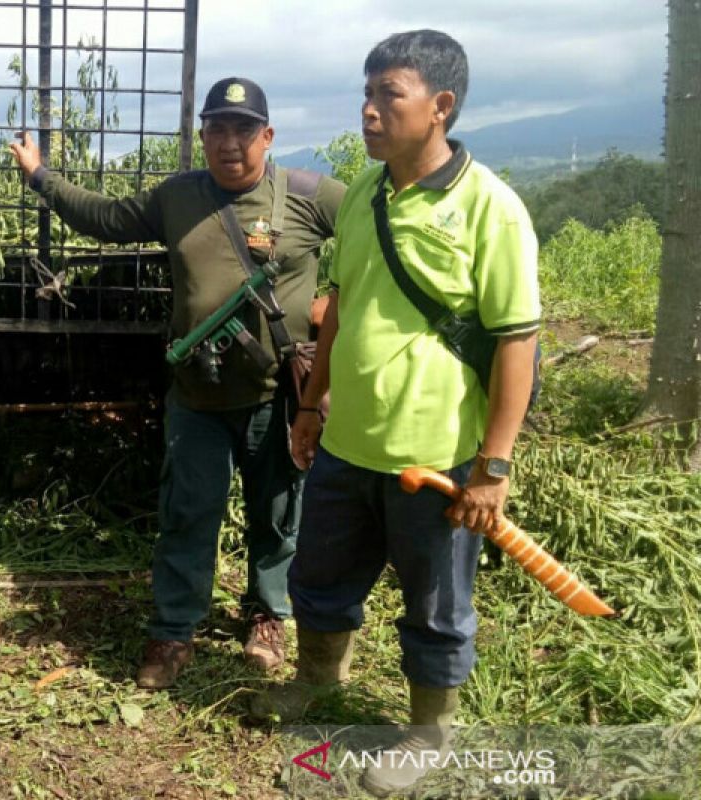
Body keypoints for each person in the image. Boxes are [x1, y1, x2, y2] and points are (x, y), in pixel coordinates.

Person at [251, 30, 541, 797]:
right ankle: (319, 683)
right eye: (368, 94)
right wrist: (313, 407)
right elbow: (339, 310)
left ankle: (427, 735)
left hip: (439, 460)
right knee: (321, 578)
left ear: (441, 106)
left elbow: (518, 342)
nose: (370, 111)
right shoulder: (365, 198)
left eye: (390, 96)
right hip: (350, 444)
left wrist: (494, 466)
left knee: (437, 607)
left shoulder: (492, 209)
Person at [9, 78, 344, 688]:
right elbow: (107, 219)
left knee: (277, 516)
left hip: (279, 396)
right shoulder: (179, 196)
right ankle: (173, 631)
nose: (229, 143)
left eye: (243, 130)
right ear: (202, 136)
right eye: (216, 128)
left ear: (267, 136)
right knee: (187, 514)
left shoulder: (310, 195)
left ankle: (268, 616)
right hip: (198, 397)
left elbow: (379, 240)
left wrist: (336, 304)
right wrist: (42, 178)